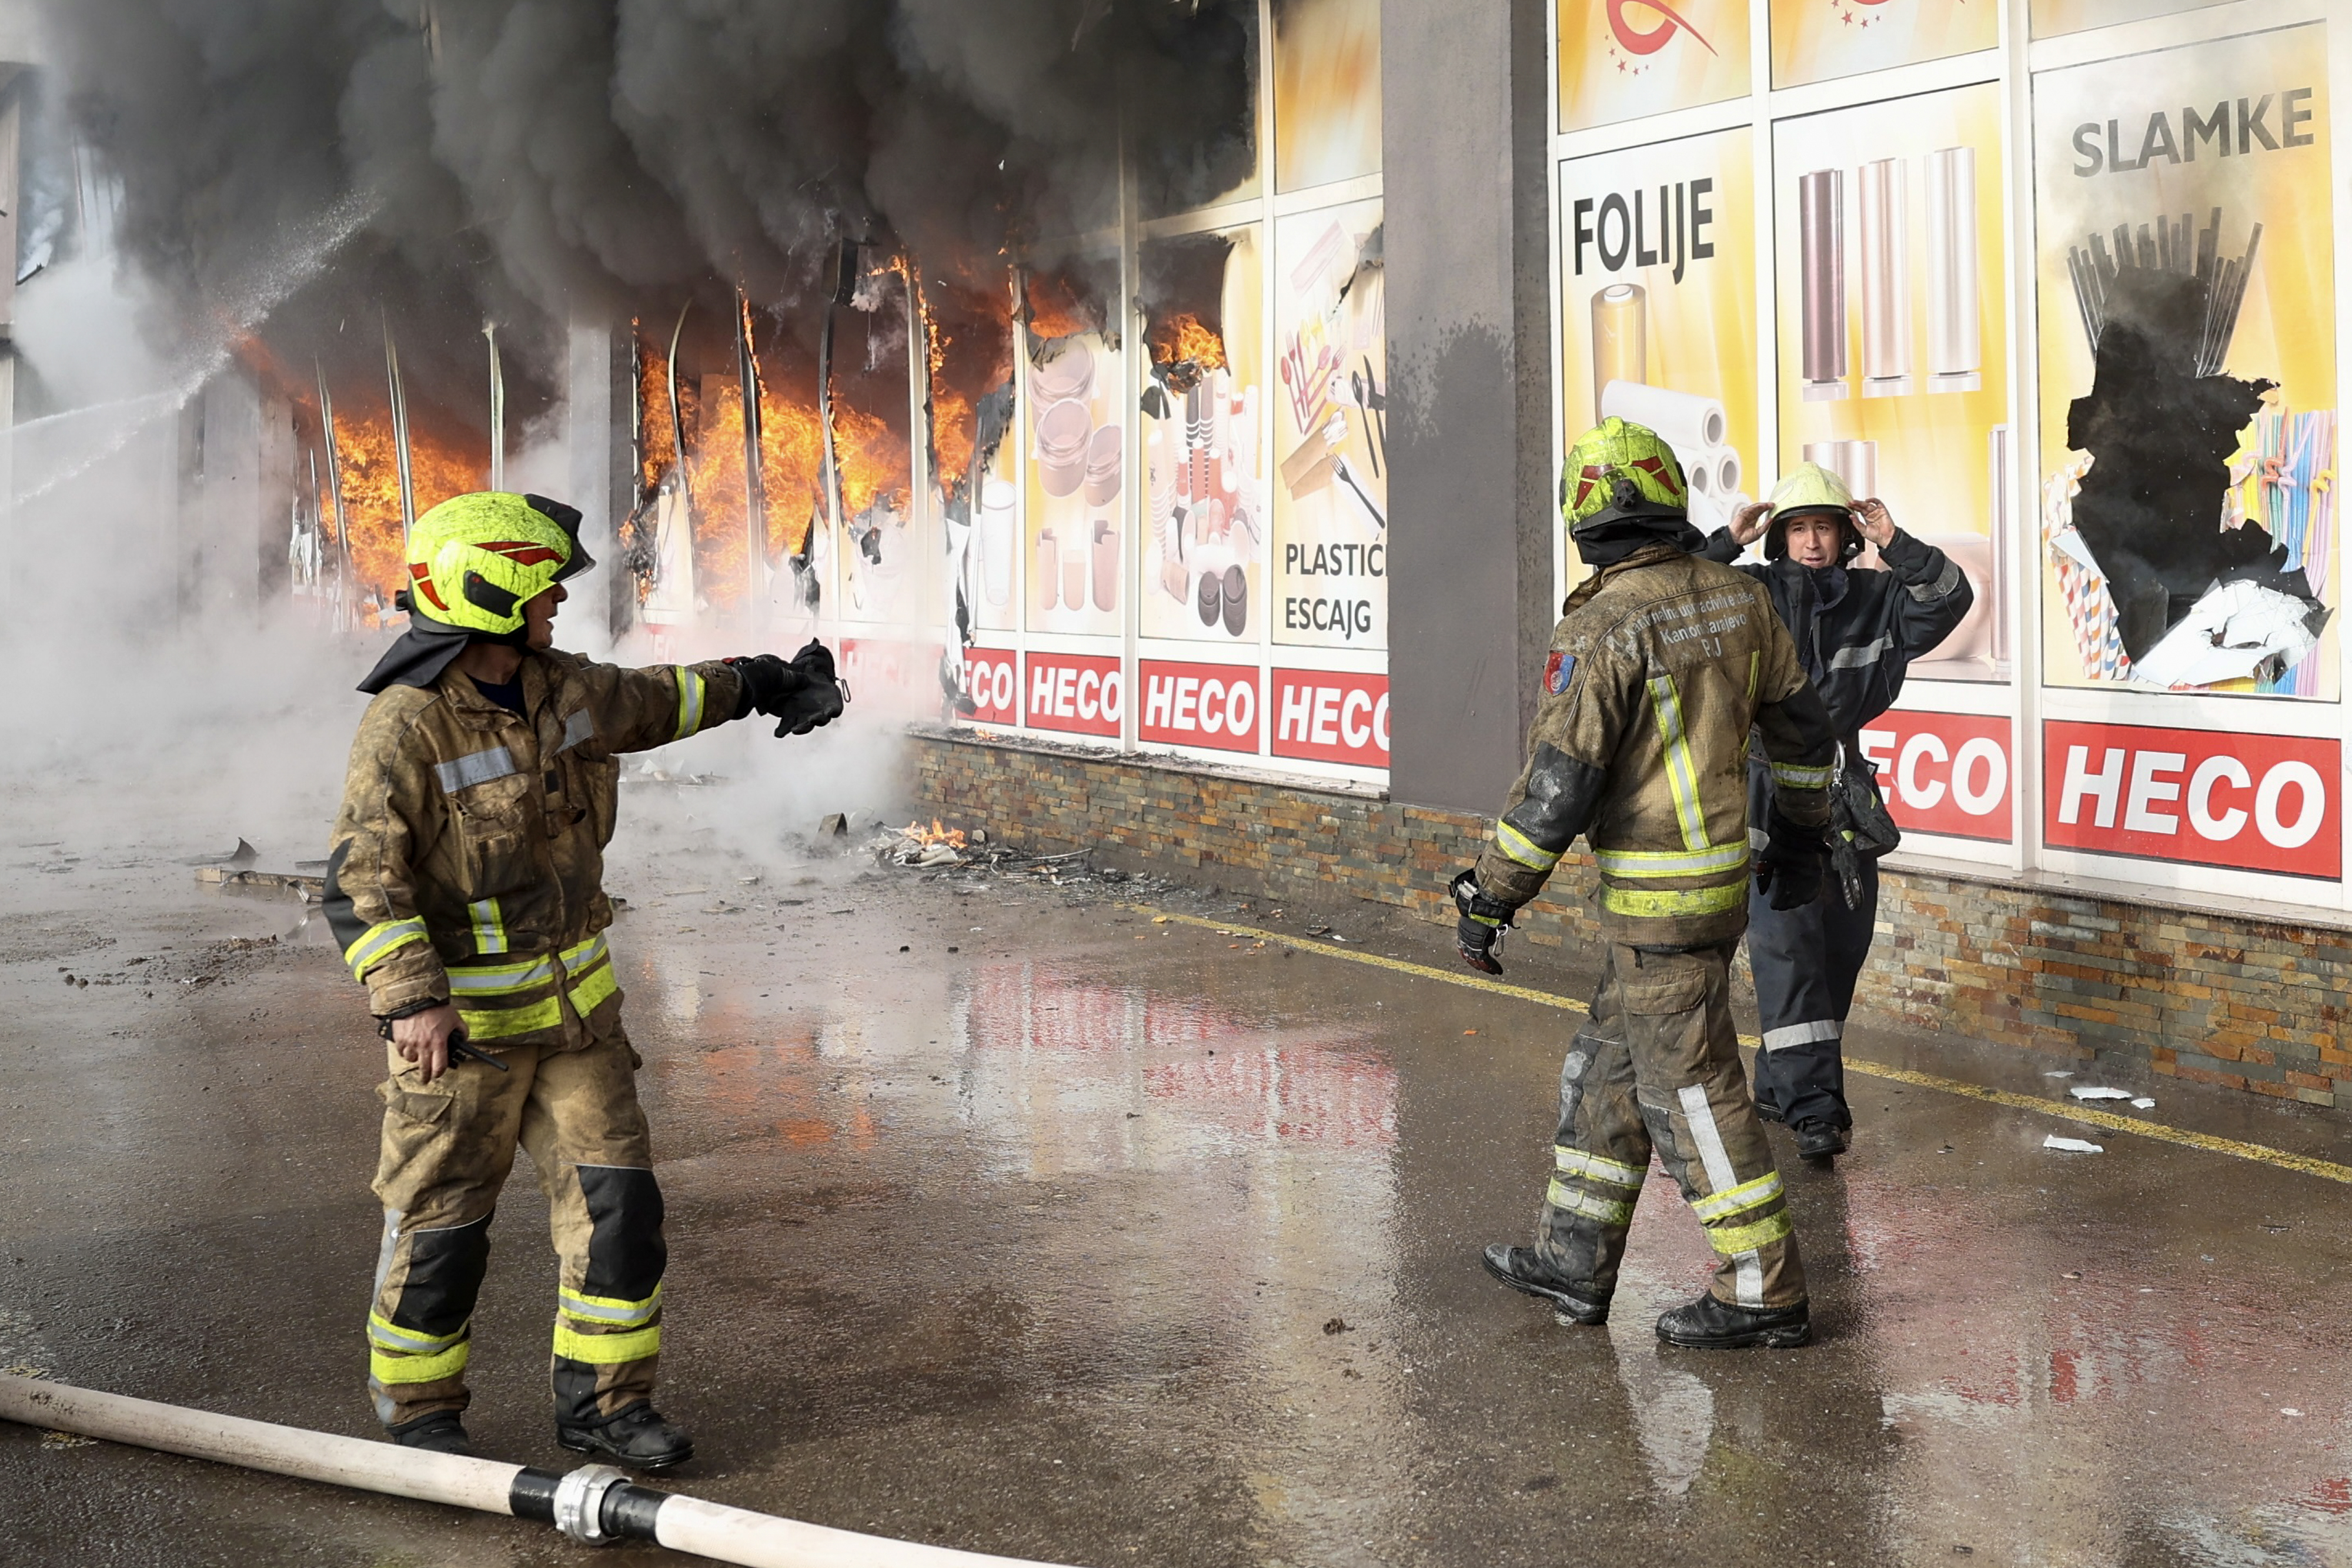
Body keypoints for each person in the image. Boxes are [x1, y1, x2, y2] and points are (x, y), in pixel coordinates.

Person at [326, 491, 843, 1465]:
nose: (558, 600)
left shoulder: (561, 689)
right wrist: (413, 999)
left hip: (579, 1028)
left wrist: (770, 679)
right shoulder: (408, 726)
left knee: (620, 1215)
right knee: (444, 1231)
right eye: (543, 587)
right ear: (489, 594)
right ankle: (420, 1411)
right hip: (465, 1044)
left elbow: (661, 698)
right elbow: (364, 881)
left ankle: (607, 1406)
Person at [1458, 417, 1840, 1350]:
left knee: (1694, 1092)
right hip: (1707, 894)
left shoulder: (1601, 626)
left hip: (1657, 906)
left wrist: (1492, 895)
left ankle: (1762, 1286)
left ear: (1587, 519)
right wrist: (1800, 835)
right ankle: (1573, 1257)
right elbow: (1804, 733)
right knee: (1608, 1068)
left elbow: (1558, 788)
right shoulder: (1742, 600)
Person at [1698, 462, 1973, 1161]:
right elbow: (1673, 596)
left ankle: (1777, 1084)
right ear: (1780, 539)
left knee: (1841, 948)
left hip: (1843, 793)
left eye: (1824, 528)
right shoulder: (1748, 594)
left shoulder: (1876, 597)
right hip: (1764, 794)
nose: (1813, 542)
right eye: (1799, 530)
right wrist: (1726, 542)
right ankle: (1815, 1109)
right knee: (1787, 948)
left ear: (1844, 536)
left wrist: (1894, 541)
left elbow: (1949, 598)